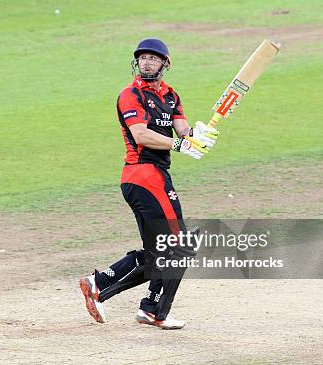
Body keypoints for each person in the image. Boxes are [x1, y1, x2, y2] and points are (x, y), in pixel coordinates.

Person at [79, 38, 219, 329]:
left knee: (160, 252)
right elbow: (141, 135)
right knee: (179, 245)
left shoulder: (171, 96)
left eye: (153, 59)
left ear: (165, 64)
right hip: (143, 175)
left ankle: (99, 283)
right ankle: (155, 310)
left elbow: (183, 131)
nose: (146, 62)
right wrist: (181, 146)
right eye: (142, 58)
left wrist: (199, 136)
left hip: (152, 178)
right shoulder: (131, 95)